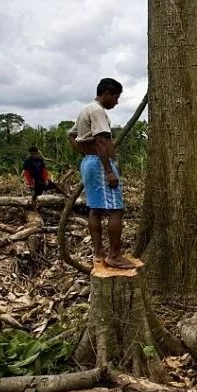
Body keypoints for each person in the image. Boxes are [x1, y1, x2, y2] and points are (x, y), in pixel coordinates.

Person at [67, 78, 137, 269]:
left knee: (95, 209)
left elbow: (71, 135)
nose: (117, 101)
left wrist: (83, 153)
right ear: (106, 94)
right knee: (116, 209)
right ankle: (114, 256)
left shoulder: (86, 110)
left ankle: (99, 253)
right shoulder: (97, 111)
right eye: (116, 97)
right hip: (99, 163)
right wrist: (109, 171)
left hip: (88, 162)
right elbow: (102, 142)